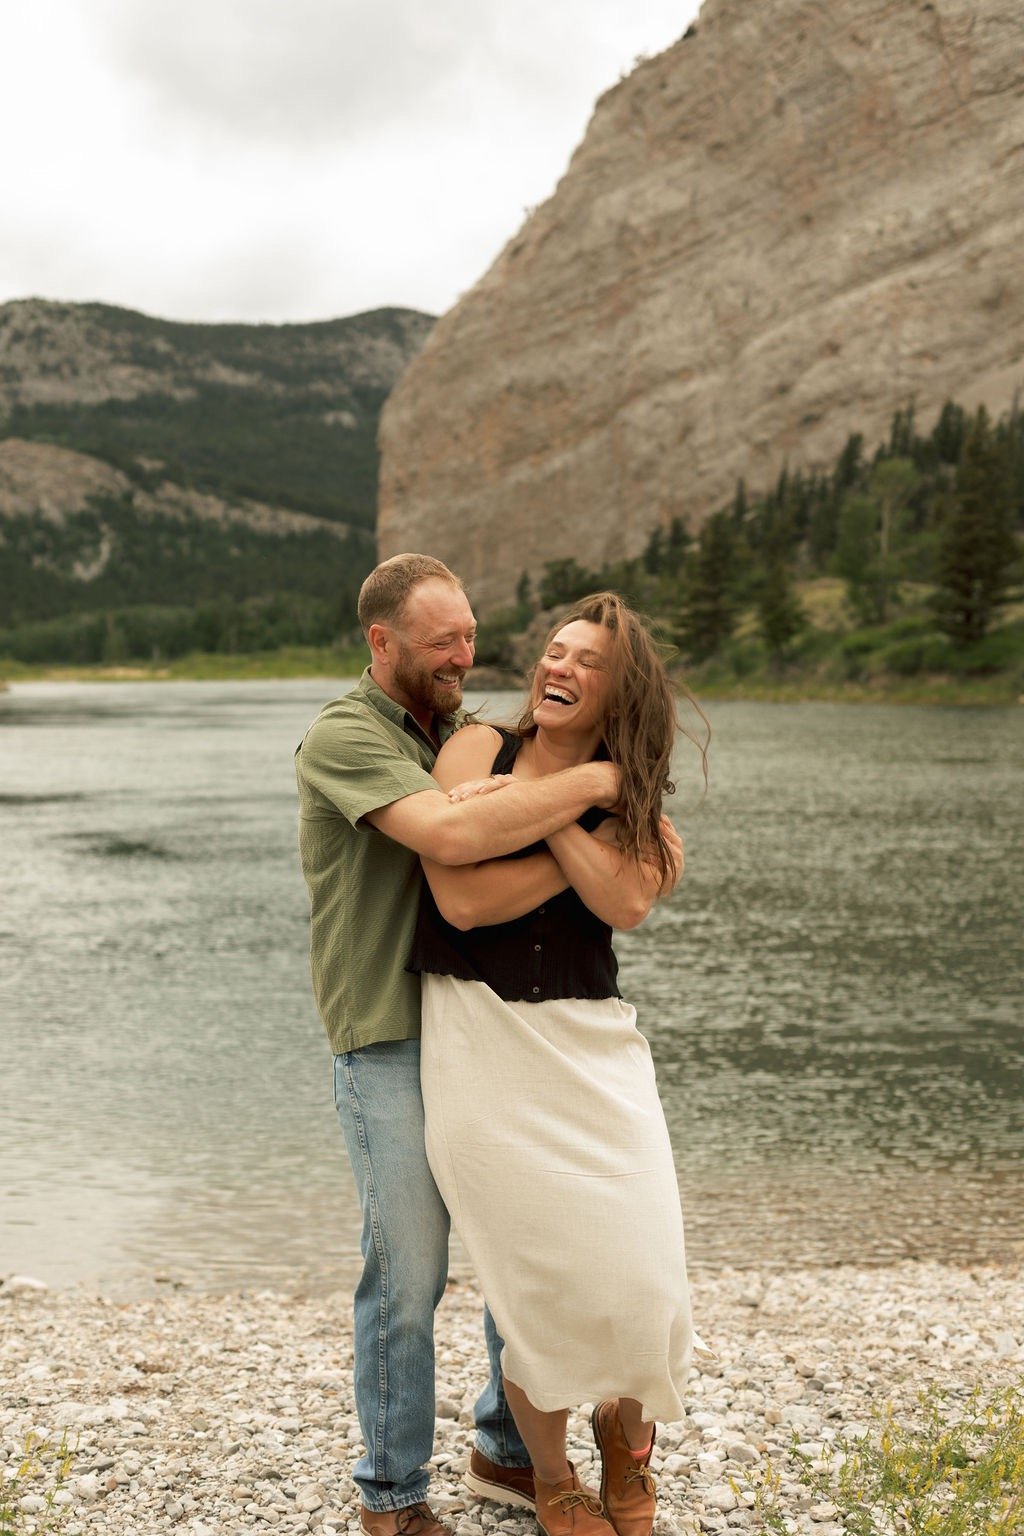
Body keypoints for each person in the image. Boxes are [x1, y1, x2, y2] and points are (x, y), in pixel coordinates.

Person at [294, 554, 628, 1536]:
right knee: (408, 1272)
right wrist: (593, 786)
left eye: (471, 639)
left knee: (517, 1254)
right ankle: (390, 1500)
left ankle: (507, 1449)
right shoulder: (345, 735)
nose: (463, 656)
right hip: (388, 1033)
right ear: (381, 641)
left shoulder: (465, 733)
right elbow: (448, 838)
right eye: (443, 642)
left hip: (484, 1030)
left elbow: (606, 852)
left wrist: (597, 801)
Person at [410, 591, 702, 1536]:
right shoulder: (473, 751)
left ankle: (626, 1435)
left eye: (585, 660)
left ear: (621, 695)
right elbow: (461, 900)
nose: (556, 667)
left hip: (594, 1045)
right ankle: (550, 1474)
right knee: (529, 1281)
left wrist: (539, 821)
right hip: (480, 1037)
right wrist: (588, 804)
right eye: (552, 650)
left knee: (646, 1267)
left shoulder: (638, 793)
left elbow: (624, 903)